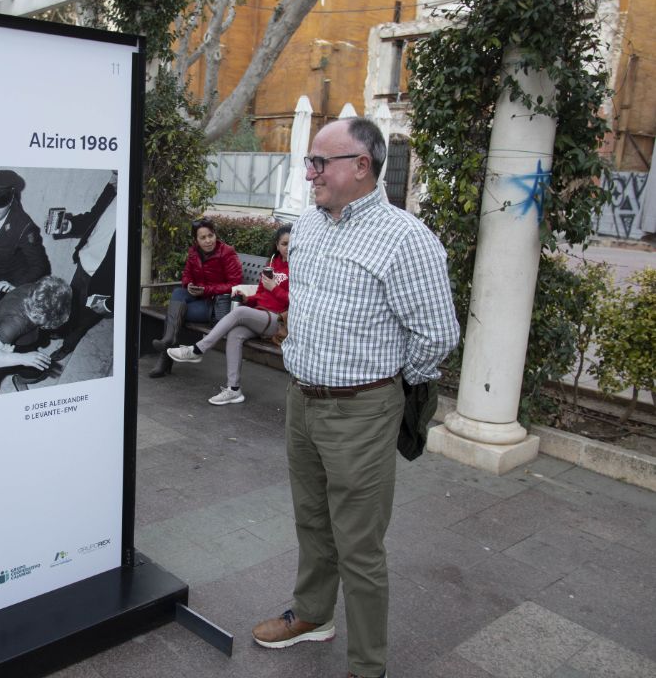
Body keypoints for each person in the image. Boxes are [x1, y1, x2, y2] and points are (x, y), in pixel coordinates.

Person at [250, 117, 458, 678]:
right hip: (301, 401)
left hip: (362, 411)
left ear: (361, 167)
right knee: (311, 521)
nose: (309, 171)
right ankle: (313, 614)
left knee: (360, 547)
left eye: (321, 162)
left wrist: (387, 385)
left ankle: (368, 666)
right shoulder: (311, 225)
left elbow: (437, 334)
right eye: (309, 161)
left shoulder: (406, 239)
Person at [167, 224, 291, 405]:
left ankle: (198, 349)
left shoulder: (300, 268)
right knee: (235, 334)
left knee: (239, 312)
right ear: (277, 245)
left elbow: (296, 301)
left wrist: (275, 287)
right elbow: (261, 294)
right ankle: (234, 389)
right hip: (259, 316)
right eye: (284, 243)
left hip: (279, 320)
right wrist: (247, 299)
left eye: (292, 243)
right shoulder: (272, 264)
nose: (288, 247)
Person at [149, 217, 242, 378]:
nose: (208, 241)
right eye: (203, 237)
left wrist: (206, 290)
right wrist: (189, 284)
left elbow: (235, 284)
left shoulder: (227, 252)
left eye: (210, 235)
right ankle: (169, 341)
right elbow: (186, 275)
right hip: (198, 295)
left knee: (175, 313)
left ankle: (165, 354)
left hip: (214, 303)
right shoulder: (193, 252)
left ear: (215, 235)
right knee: (178, 294)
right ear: (196, 240)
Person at [46, 170, 117, 361]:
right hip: (84, 263)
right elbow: (92, 217)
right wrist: (70, 225)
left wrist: (111, 304)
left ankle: (68, 345)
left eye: (118, 175)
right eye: (113, 174)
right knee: (71, 304)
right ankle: (63, 330)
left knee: (87, 318)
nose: (112, 180)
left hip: (104, 280)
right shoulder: (113, 188)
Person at [0, 169, 50, 316]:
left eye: (0, 203)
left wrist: (15, 285)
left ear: (10, 199)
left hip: (12, 281)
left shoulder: (24, 227)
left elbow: (39, 265)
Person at [0, 275, 71, 392]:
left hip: (25, 332)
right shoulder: (15, 323)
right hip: (16, 341)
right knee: (36, 371)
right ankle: (21, 379)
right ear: (40, 316)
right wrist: (23, 358)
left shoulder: (38, 290)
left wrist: (14, 289)